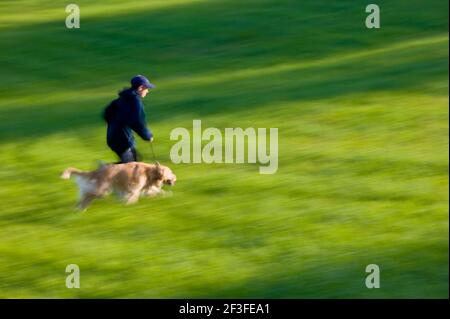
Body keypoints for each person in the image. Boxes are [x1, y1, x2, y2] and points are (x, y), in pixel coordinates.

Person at [103, 75, 155, 163]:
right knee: (132, 165)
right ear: (140, 88)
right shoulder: (134, 101)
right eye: (146, 88)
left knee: (134, 161)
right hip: (123, 139)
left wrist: (115, 125)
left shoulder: (122, 98)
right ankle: (103, 171)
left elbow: (106, 113)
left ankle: (105, 170)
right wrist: (147, 135)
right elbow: (137, 122)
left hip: (113, 137)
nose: (148, 91)